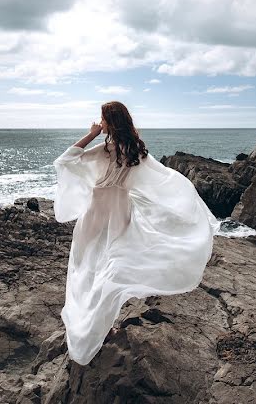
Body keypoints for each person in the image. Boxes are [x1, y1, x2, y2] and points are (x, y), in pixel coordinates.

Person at [53, 100, 222, 365]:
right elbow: (163, 178)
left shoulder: (107, 149)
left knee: (90, 268)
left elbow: (66, 159)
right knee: (108, 270)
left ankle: (95, 325)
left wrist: (92, 134)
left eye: (102, 118)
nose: (100, 122)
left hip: (98, 214)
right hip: (117, 212)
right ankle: (101, 325)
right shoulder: (136, 151)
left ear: (111, 120)